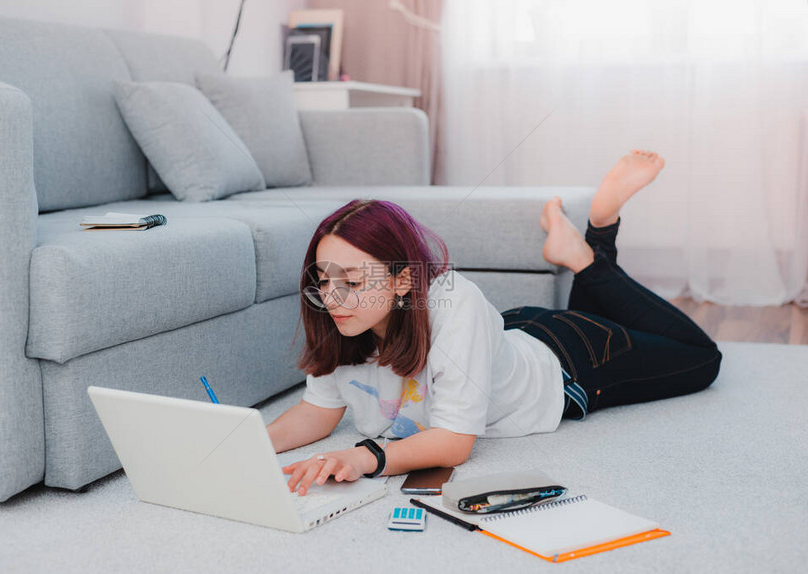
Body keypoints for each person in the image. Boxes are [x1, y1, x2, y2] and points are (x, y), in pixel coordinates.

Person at [268, 150, 722, 496]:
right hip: (509, 333)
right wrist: (249, 445)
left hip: (573, 361)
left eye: (351, 280)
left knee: (702, 358)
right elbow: (317, 412)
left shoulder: (454, 302)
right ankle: (577, 249)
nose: (332, 297)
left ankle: (592, 246)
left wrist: (365, 456)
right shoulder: (343, 321)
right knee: (606, 316)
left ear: (404, 279)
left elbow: (454, 443)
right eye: (324, 280)